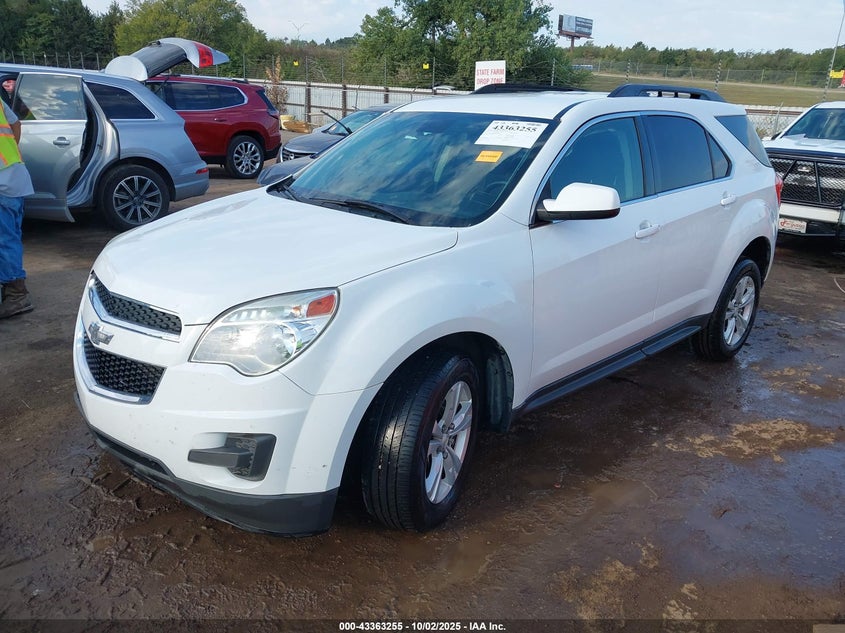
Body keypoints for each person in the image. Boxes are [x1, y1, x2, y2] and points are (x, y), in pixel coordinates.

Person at [0, 99, 35, 319]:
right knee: (9, 237)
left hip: (3, 183)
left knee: (5, 240)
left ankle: (17, 295)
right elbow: (16, 125)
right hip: (14, 175)